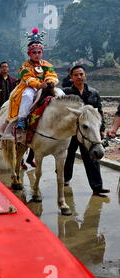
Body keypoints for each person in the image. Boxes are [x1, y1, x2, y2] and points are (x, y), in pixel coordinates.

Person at [63, 65, 110, 197]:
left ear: (85, 75)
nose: (79, 77)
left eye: (81, 74)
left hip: (88, 133)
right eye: (76, 75)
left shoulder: (93, 93)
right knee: (68, 156)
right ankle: (64, 178)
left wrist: (101, 129)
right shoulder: (66, 93)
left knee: (92, 157)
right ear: (71, 77)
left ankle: (97, 187)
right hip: (71, 132)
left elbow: (99, 112)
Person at [8, 28, 58, 131]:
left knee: (61, 93)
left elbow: (51, 74)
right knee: (27, 95)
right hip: (30, 87)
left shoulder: (47, 64)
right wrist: (39, 85)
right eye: (34, 52)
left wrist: (50, 82)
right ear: (29, 54)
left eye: (39, 52)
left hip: (46, 86)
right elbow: (27, 78)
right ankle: (21, 119)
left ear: (42, 53)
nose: (37, 55)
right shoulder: (25, 66)